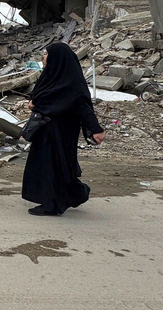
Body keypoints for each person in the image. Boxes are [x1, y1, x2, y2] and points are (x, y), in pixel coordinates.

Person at [22, 42, 106, 216]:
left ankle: (52, 205)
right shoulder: (51, 75)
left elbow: (83, 105)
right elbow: (39, 96)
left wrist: (95, 129)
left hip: (62, 132)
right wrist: (34, 103)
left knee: (54, 166)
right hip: (45, 130)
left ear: (57, 58)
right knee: (49, 166)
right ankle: (74, 194)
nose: (44, 57)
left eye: (46, 54)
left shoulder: (72, 82)